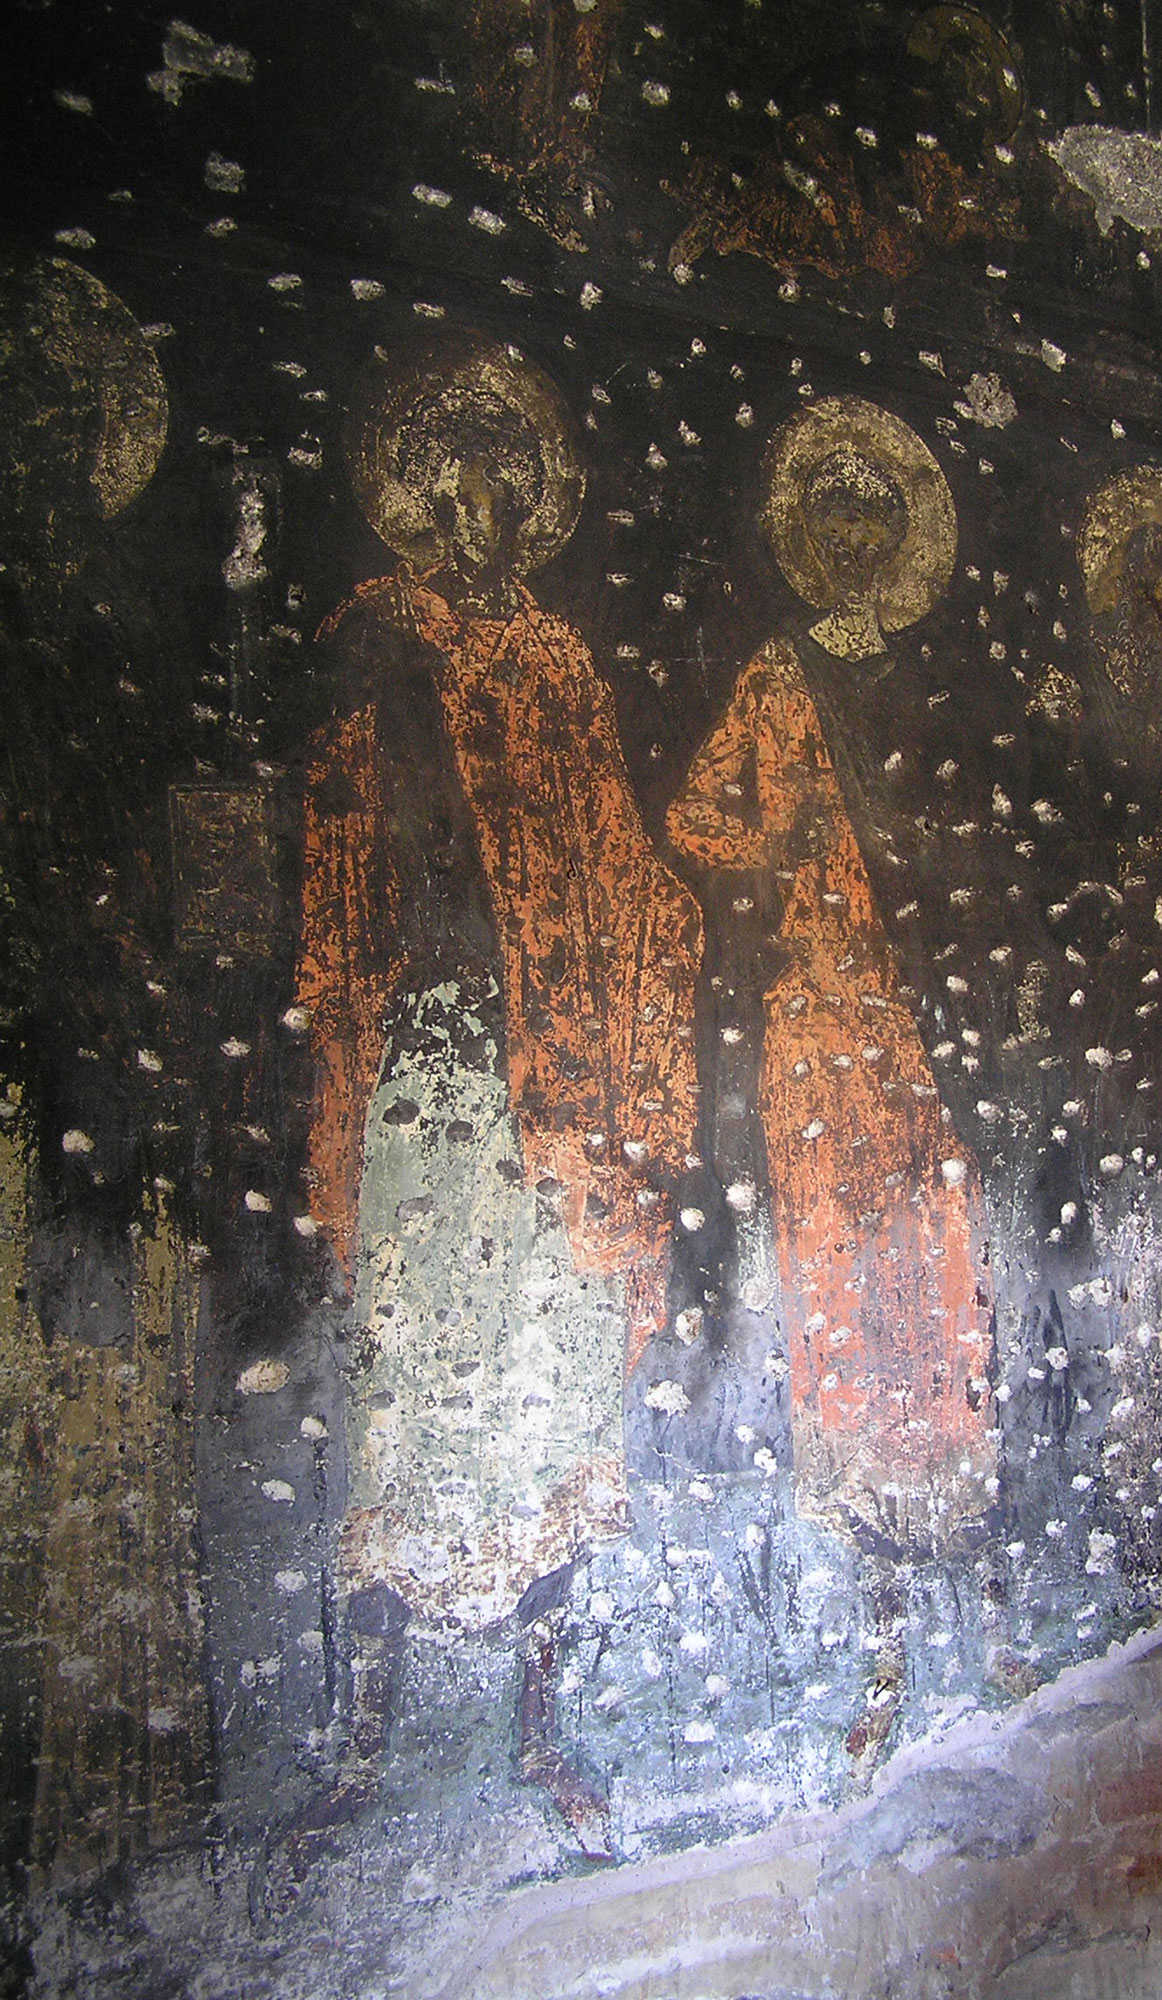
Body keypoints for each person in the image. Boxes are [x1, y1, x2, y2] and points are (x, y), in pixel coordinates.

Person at [291, 342, 701, 1853]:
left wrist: (669, 932)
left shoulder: (559, 664)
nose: (483, 515)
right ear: (420, 499)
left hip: (560, 1082)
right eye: (457, 490)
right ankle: (363, 1747)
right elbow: (339, 845)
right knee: (410, 1389)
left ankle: (540, 1733)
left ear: (532, 508)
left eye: (507, 492)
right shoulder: (374, 639)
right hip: (430, 1068)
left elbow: (607, 858)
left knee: (556, 1384)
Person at [666, 396, 997, 1564]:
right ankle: (852, 1461)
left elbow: (967, 832)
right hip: (812, 991)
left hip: (913, 998)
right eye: (834, 520)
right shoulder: (775, 673)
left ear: (897, 541)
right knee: (830, 1221)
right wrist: (775, 841)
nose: (853, 542)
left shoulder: (925, 681)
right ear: (807, 536)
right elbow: (693, 815)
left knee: (929, 1219)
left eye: (872, 522)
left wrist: (934, 856)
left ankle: (938, 1459)